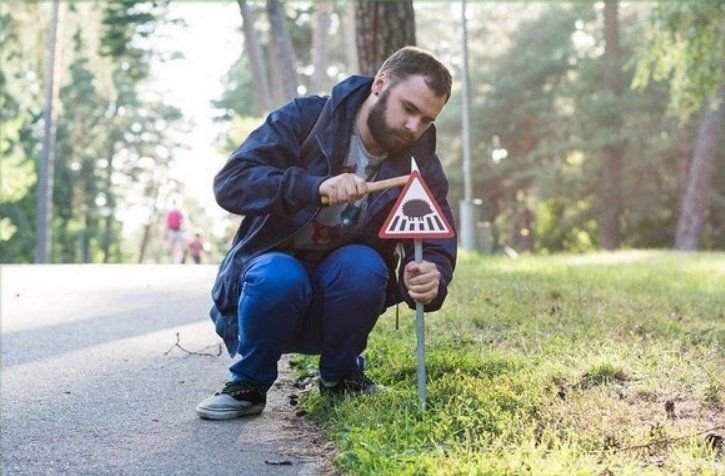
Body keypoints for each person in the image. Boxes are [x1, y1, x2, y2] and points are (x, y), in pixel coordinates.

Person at [197, 46, 457, 420]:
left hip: (340, 299)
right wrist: (312, 187)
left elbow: (435, 238)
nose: (414, 127)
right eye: (409, 109)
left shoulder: (420, 162)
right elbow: (231, 184)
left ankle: (341, 376)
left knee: (363, 264)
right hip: (266, 293)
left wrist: (435, 274)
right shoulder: (305, 119)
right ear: (380, 84)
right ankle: (248, 385)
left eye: (427, 120)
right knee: (279, 275)